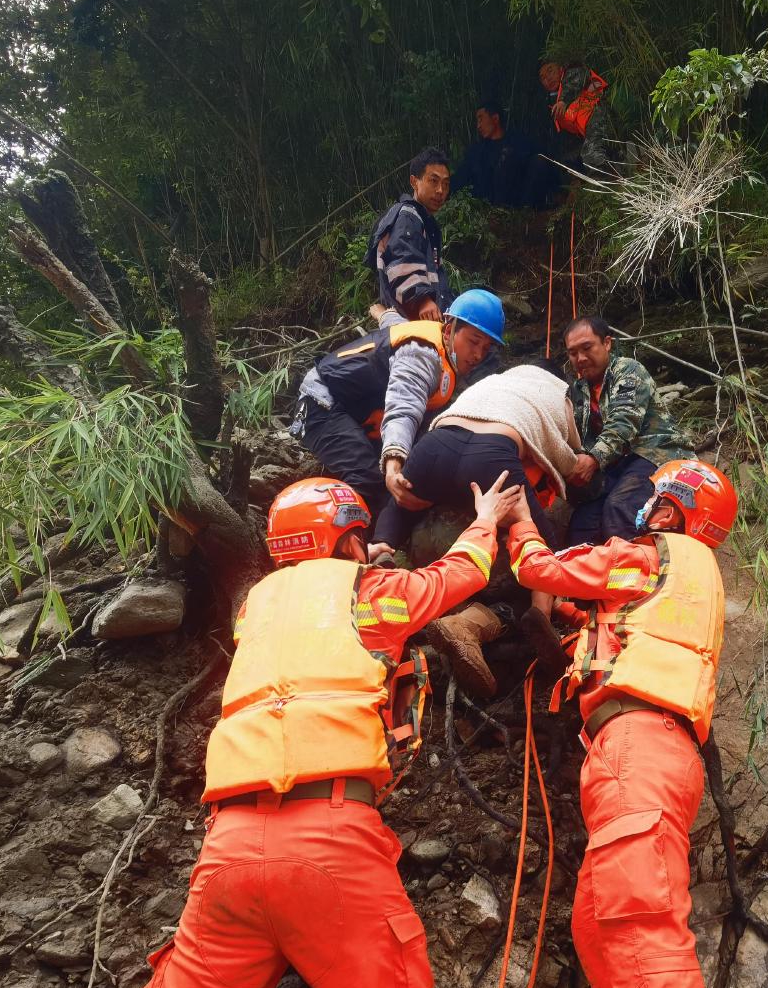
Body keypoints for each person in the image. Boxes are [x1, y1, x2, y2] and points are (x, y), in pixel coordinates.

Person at [33, 472, 523, 988]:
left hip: (229, 853)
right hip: (331, 840)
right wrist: (488, 519)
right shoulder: (373, 593)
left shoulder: (255, 607)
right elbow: (455, 577)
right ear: (350, 539)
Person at [505, 459, 738, 988]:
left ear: (673, 512)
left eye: (658, 502)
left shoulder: (650, 556)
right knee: (598, 927)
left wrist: (514, 520)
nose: (647, 510)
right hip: (643, 751)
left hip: (640, 746)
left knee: (641, 927)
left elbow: (542, 569)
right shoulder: (680, 578)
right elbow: (609, 617)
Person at [369, 364, 582, 695]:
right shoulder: (558, 392)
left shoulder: (492, 381)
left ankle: (381, 550)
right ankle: (541, 613)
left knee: (403, 501)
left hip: (436, 444)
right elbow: (565, 452)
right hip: (491, 455)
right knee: (541, 540)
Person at [293, 289, 506, 517]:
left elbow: (396, 324)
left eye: (485, 348)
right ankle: (347, 535)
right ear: (449, 329)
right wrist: (393, 462)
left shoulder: (433, 340)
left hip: (354, 409)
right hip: (320, 403)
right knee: (369, 479)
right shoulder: (422, 356)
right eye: (473, 342)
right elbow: (404, 405)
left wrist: (382, 313)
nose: (478, 355)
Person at [561, 317, 693, 544]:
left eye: (587, 347)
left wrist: (593, 459)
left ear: (607, 343)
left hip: (656, 455)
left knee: (620, 507)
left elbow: (624, 421)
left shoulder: (627, 370)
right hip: (617, 467)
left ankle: (637, 566)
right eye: (573, 353)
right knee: (582, 525)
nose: (580, 358)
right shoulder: (578, 390)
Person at [369, 148, 455, 323]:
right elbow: (402, 261)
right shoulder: (407, 217)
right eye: (433, 181)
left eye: (445, 184)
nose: (440, 190)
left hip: (424, 321)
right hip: (409, 322)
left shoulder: (426, 223)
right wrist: (422, 300)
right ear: (414, 182)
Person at [449, 103, 533, 208]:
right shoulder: (477, 151)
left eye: (481, 119)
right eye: (477, 121)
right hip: (489, 207)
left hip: (518, 205)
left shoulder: (516, 142)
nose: (478, 126)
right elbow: (461, 176)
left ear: (495, 118)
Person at [539, 61, 614, 175]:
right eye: (543, 77)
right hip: (591, 131)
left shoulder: (572, 73)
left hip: (605, 114)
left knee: (591, 154)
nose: (548, 78)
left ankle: (604, 181)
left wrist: (563, 101)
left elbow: (575, 81)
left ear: (560, 68)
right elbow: (569, 144)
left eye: (550, 71)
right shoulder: (551, 107)